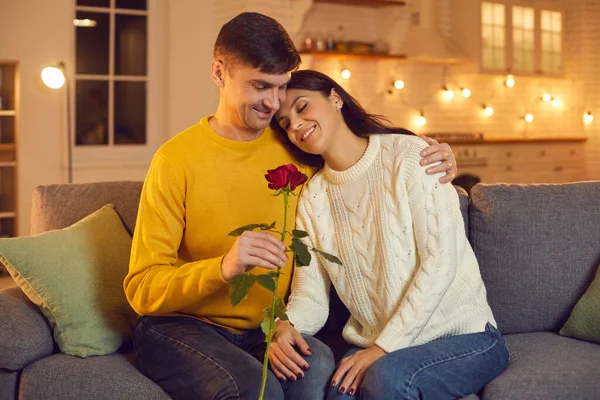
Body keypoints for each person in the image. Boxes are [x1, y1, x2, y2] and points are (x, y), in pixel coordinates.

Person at [124, 12, 459, 400]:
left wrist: (438, 160)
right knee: (251, 387)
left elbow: (364, 160)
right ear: (219, 73)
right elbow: (141, 287)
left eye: (280, 87)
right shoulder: (175, 160)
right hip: (182, 326)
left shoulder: (293, 144)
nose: (273, 103)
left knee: (316, 370)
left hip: (267, 328)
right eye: (260, 86)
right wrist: (223, 268)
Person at [269, 69, 509, 400]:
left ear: (335, 98)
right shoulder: (313, 198)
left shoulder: (410, 155)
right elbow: (311, 295)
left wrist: (385, 347)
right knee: (338, 394)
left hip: (464, 337)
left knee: (388, 379)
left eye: (302, 106)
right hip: (379, 344)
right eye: (284, 122)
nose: (295, 124)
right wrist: (283, 325)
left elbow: (441, 263)